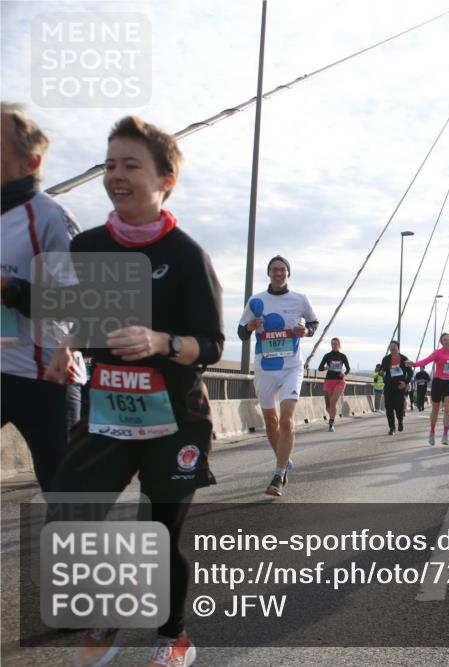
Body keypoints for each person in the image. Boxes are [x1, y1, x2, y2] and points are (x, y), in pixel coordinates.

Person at [48, 115, 224, 667]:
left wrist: (160, 341)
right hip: (108, 407)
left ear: (165, 178)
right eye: (109, 165)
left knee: (158, 534)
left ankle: (173, 636)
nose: (115, 176)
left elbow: (212, 345)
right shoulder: (90, 247)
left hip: (175, 416)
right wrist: (63, 344)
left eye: (130, 165)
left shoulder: (188, 255)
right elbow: (79, 320)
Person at [1, 101, 81, 492]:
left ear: (30, 163)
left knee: (68, 497)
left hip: (46, 378)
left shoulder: (50, 217)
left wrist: (12, 290)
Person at [238, 255, 318, 496]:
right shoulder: (256, 301)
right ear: (269, 273)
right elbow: (241, 332)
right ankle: (283, 458)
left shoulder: (300, 299)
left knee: (286, 420)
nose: (279, 273)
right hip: (265, 368)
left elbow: (314, 323)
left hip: (292, 366)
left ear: (288, 273)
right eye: (274, 270)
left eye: (282, 270)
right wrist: (250, 328)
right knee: (271, 422)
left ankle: (279, 474)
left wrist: (307, 331)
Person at [408, 333, 449, 445]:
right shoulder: (437, 353)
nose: (447, 341)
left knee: (448, 409)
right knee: (436, 410)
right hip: (438, 382)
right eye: (445, 340)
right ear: (441, 342)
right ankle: (432, 432)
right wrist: (414, 364)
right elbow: (426, 361)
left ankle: (445, 434)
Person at [378, 340, 412, 435]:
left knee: (399, 408)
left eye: (394, 346)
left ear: (398, 348)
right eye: (391, 346)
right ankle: (392, 427)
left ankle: (400, 421)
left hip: (400, 387)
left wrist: (405, 382)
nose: (392, 348)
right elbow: (382, 370)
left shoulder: (404, 359)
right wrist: (381, 373)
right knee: (388, 407)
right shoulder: (386, 359)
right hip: (389, 386)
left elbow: (410, 373)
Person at [317, 337, 350, 432]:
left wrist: (344, 373)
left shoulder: (342, 356)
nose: (333, 345)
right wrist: (326, 367)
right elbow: (320, 368)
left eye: (335, 343)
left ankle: (331, 424)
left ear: (339, 345)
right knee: (329, 406)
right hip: (329, 381)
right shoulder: (327, 356)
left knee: (332, 402)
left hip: (339, 381)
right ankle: (333, 418)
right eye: (332, 343)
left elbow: (348, 369)